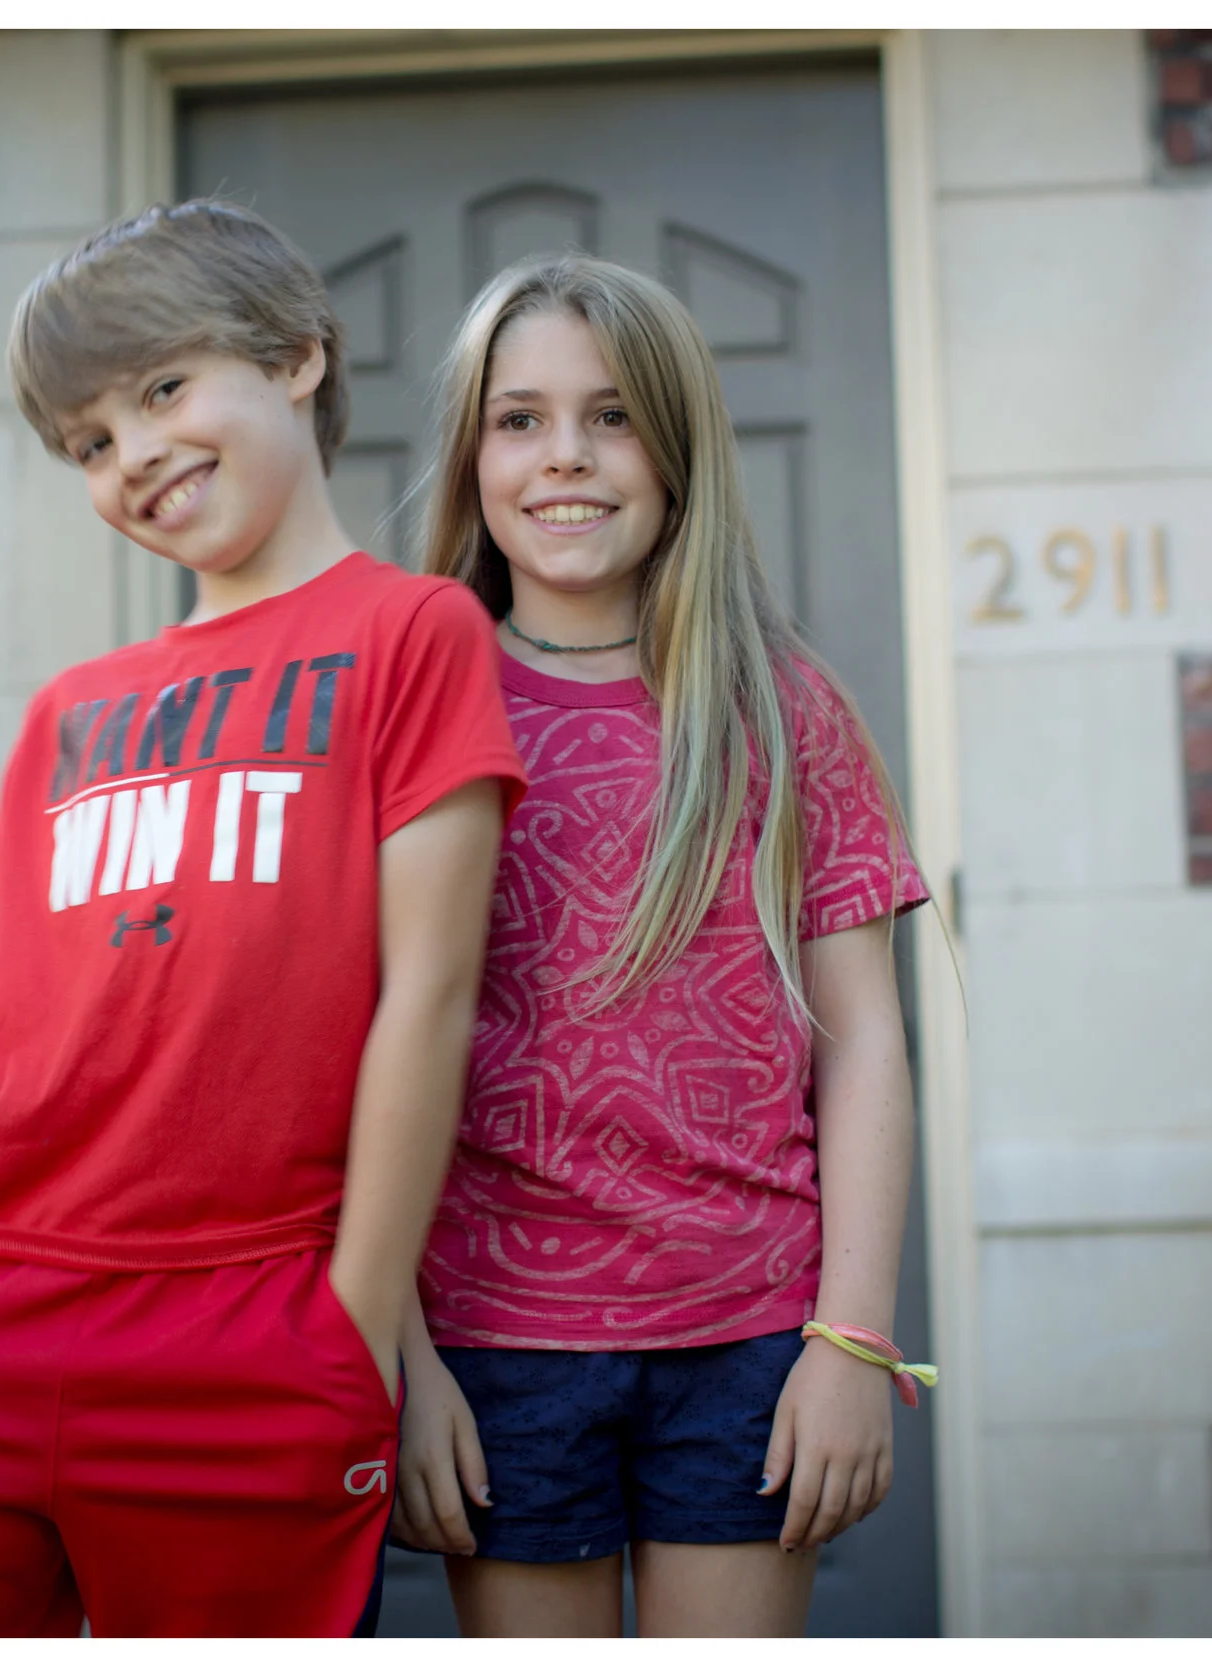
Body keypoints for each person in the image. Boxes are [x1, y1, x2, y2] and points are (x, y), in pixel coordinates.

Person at [0, 199, 526, 1637]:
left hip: (241, 1334)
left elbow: (427, 995)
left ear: (298, 357)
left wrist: (356, 1320)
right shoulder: (73, 709)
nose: (133, 453)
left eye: (165, 388)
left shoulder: (412, 632)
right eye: (90, 441)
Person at [393, 255, 933, 1638]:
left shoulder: (785, 707)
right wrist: (398, 1350)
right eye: (519, 419)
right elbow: (351, 1044)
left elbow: (865, 1039)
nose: (565, 455)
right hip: (493, 1339)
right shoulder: (416, 707)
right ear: (471, 454)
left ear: (679, 448)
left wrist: (854, 1338)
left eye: (614, 415)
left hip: (751, 1332)